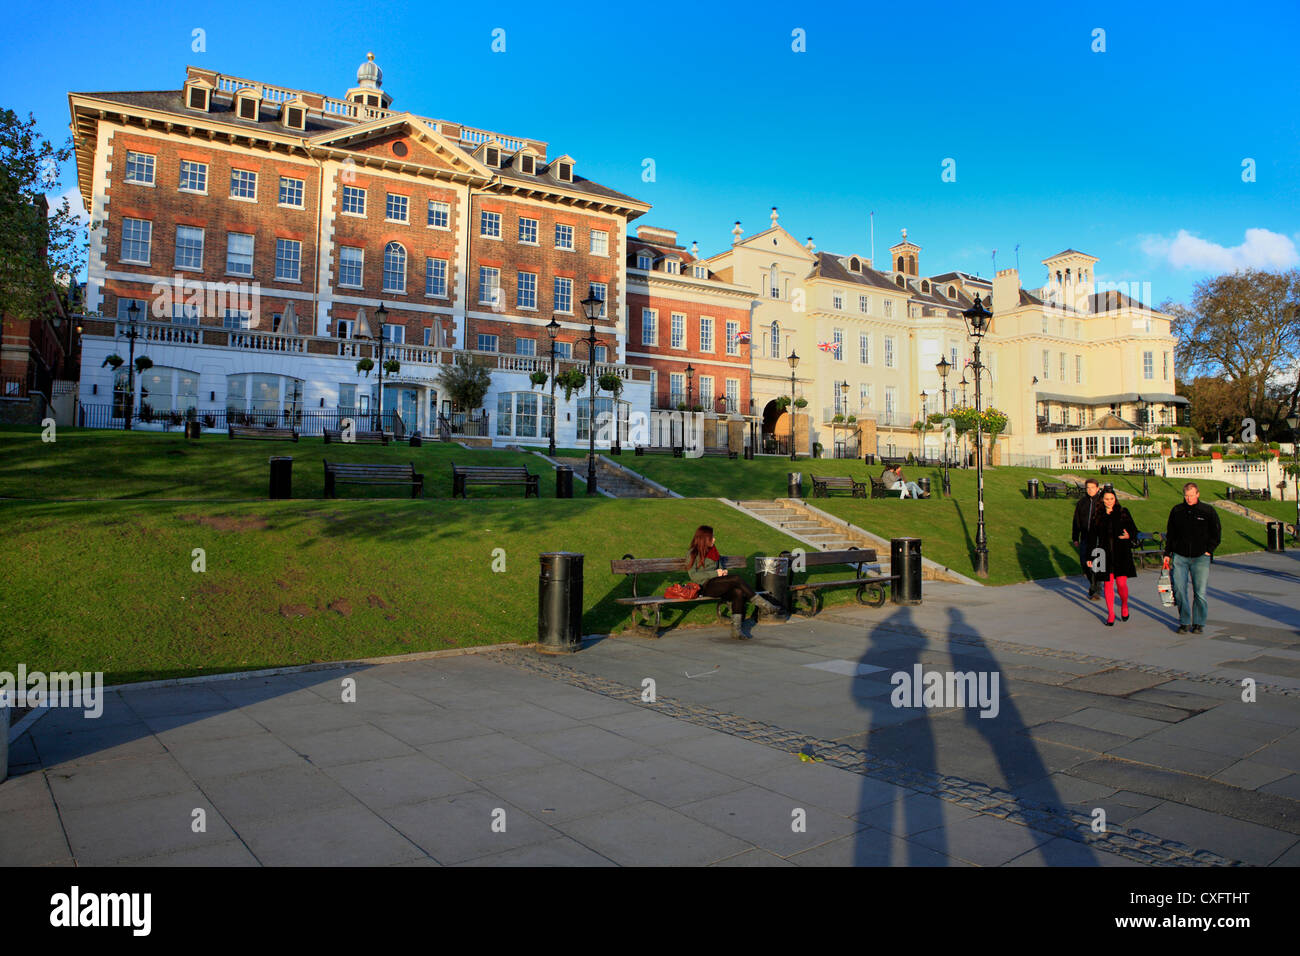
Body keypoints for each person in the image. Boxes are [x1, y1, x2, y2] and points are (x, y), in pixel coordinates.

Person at [685, 525, 781, 639]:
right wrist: (716, 573)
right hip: (704, 587)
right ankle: (765, 605)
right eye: (712, 537)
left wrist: (723, 572)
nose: (714, 539)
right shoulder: (692, 553)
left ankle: (736, 631)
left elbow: (719, 568)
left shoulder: (713, 551)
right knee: (736, 579)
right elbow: (693, 576)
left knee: (738, 592)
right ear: (704, 538)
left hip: (718, 583)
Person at [1162, 482, 1221, 633]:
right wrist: (1167, 553)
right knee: (1179, 590)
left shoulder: (1207, 511)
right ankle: (1185, 621)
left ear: (1198, 494)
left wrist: (1209, 550)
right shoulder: (1177, 510)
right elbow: (1171, 534)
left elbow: (1216, 532)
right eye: (1186, 496)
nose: (1189, 499)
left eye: (1192, 495)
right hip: (1180, 556)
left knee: (1199, 592)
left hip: (1200, 556)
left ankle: (1199, 623)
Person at [1087, 490, 1139, 626]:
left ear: (1115, 499)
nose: (1109, 501)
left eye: (1111, 498)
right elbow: (1092, 538)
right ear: (1102, 500)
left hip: (1121, 552)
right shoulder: (1097, 515)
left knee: (1121, 584)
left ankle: (1124, 605)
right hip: (1103, 553)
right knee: (1108, 584)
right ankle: (1110, 613)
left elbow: (1134, 530)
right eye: (1106, 499)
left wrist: (1129, 536)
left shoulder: (1123, 512)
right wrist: (1090, 556)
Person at [1071, 478, 1102, 600]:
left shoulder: (1101, 502)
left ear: (1097, 489)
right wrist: (1075, 537)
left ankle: (1096, 588)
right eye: (1087, 488)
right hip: (1085, 537)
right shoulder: (1081, 502)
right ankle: (1093, 583)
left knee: (1097, 564)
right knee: (1085, 563)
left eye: (1092, 488)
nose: (1090, 490)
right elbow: (1076, 521)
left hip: (1098, 538)